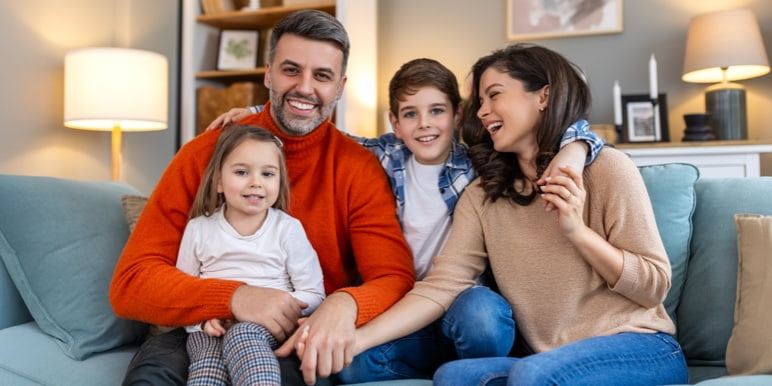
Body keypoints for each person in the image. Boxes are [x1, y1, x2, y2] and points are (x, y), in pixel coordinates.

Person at [211, 57, 606, 383]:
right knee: (347, 366)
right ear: (394, 122)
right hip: (401, 309)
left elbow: (576, 130)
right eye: (410, 115)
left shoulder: (481, 163)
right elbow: (315, 133)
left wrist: (576, 146)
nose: (425, 125)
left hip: (462, 305)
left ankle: (476, 372)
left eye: (437, 111)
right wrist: (256, 114)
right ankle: (443, 369)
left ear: (457, 114)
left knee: (482, 316)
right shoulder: (382, 156)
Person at [344, 43, 689, 385]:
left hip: (640, 348)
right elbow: (441, 286)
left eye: (494, 95)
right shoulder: (482, 195)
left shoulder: (606, 169)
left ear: (543, 97)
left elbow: (653, 288)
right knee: (453, 376)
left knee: (531, 374)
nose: (482, 111)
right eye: (480, 102)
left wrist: (577, 231)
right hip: (545, 361)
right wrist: (358, 340)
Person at [109, 9, 415, 386]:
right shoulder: (205, 153)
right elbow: (131, 284)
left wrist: (344, 303)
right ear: (268, 72)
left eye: (322, 76)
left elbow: (393, 277)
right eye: (291, 70)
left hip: (296, 331)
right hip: (203, 329)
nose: (304, 87)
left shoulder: (357, 167)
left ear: (340, 86)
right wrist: (236, 297)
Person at [177, 125, 325, 385]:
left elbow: (314, 294)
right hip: (210, 329)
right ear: (219, 181)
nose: (255, 182)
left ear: (279, 182)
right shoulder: (199, 228)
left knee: (243, 335)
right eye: (242, 172)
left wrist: (277, 305)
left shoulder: (287, 228)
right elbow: (183, 292)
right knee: (207, 367)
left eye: (267, 173)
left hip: (264, 326)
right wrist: (202, 321)